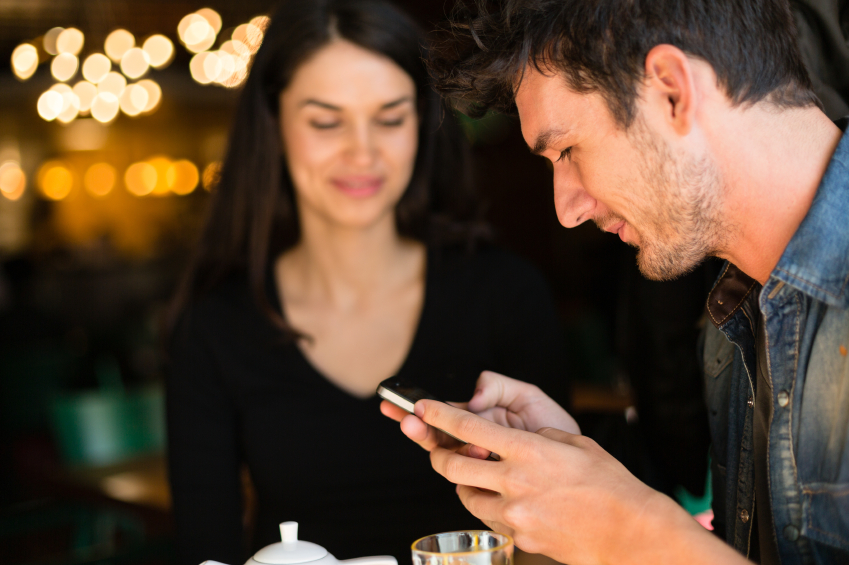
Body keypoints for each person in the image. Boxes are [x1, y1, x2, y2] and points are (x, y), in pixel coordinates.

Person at [381, 0, 849, 564]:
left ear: (673, 91)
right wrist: (586, 484)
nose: (565, 210)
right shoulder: (737, 313)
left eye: (569, 150)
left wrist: (628, 528)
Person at [164, 1, 571, 564]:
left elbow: (554, 535)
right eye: (326, 121)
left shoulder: (505, 295)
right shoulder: (214, 328)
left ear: (422, 125)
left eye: (389, 117)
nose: (363, 152)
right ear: (275, 124)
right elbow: (204, 549)